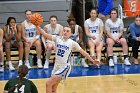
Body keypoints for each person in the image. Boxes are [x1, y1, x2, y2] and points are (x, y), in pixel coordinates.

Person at [36, 26, 100, 93]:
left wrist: (92, 61)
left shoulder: (72, 43)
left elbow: (84, 53)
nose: (65, 32)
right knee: (53, 89)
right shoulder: (57, 38)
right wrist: (37, 26)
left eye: (67, 31)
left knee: (48, 83)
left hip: (64, 67)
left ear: (71, 34)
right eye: (64, 30)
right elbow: (45, 34)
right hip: (56, 66)